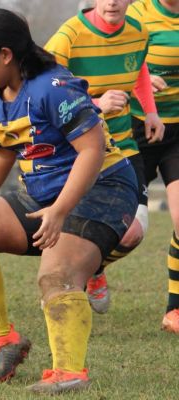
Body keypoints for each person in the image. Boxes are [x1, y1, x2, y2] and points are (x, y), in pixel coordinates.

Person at [0, 9, 138, 394]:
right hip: (42, 193)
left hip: (104, 188)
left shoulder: (55, 87)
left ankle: (70, 373)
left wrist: (60, 212)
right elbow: (0, 153)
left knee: (55, 274)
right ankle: (5, 343)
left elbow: (92, 151)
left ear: (6, 54)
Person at [45, 0, 165, 314]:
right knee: (70, 226)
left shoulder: (139, 32)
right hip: (78, 149)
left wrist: (150, 111)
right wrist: (95, 103)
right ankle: (74, 279)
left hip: (122, 146)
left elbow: (138, 68)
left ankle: (95, 269)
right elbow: (45, 89)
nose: (112, 1)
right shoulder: (68, 36)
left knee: (134, 230)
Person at [126, 0, 179, 332]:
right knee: (129, 230)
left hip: (177, 134)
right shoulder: (137, 13)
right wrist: (141, 81)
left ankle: (174, 310)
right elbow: (119, 62)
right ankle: (93, 270)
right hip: (137, 130)